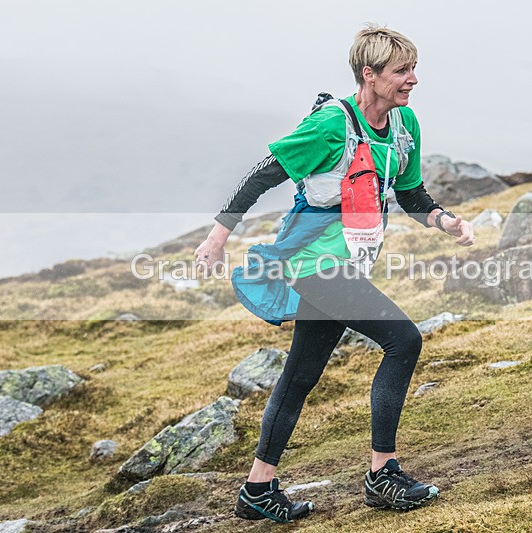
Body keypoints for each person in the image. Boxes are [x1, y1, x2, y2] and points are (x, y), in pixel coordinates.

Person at [194, 24, 474, 524]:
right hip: (311, 266)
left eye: (413, 69)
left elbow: (409, 195)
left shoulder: (405, 125)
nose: (412, 80)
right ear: (370, 75)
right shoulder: (330, 124)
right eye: (401, 71)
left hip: (340, 266)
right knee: (404, 341)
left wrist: (444, 220)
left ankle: (257, 490)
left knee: (300, 375)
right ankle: (382, 476)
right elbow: (263, 173)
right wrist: (218, 236)